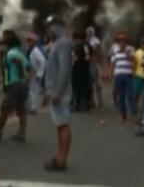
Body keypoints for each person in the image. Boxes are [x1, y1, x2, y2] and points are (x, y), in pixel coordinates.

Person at [43, 15, 73, 172]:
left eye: (49, 27)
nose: (47, 31)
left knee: (63, 126)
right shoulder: (58, 44)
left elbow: (64, 69)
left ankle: (62, 160)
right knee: (60, 126)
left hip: (59, 94)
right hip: (55, 93)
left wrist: (57, 92)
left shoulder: (63, 43)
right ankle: (59, 157)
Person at [0, 31, 29, 143]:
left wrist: (20, 75)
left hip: (14, 84)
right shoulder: (21, 53)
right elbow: (29, 67)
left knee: (5, 108)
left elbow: (17, 63)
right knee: (21, 109)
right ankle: (21, 133)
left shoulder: (11, 53)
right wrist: (25, 78)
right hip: (22, 84)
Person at [110, 32, 136, 122]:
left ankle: (133, 112)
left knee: (129, 94)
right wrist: (111, 73)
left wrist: (126, 52)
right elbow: (113, 62)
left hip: (128, 74)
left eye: (124, 41)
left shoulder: (131, 49)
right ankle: (122, 115)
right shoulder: (115, 49)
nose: (122, 42)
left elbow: (133, 60)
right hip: (118, 75)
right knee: (120, 96)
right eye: (120, 41)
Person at [71, 31, 92, 112]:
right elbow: (89, 56)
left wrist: (73, 60)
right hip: (86, 67)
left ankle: (78, 105)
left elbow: (76, 57)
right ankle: (87, 104)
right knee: (86, 86)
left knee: (77, 87)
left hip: (78, 67)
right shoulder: (87, 45)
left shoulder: (78, 46)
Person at [27, 33, 46, 115]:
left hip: (35, 73)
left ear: (34, 42)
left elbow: (43, 61)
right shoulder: (32, 51)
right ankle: (32, 106)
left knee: (34, 91)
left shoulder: (36, 51)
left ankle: (33, 107)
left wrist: (39, 73)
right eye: (28, 41)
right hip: (32, 73)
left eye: (30, 41)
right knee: (32, 90)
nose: (28, 43)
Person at [86, 26, 104, 109]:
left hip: (94, 62)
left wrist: (100, 63)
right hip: (87, 63)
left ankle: (100, 102)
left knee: (96, 83)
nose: (89, 33)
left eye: (90, 32)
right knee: (89, 83)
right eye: (88, 32)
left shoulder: (96, 41)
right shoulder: (86, 41)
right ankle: (91, 101)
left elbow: (98, 52)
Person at [133, 39, 144, 120]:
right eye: (143, 44)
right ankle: (134, 108)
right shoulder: (137, 52)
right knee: (136, 94)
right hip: (138, 76)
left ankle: (142, 115)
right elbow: (134, 63)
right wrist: (134, 74)